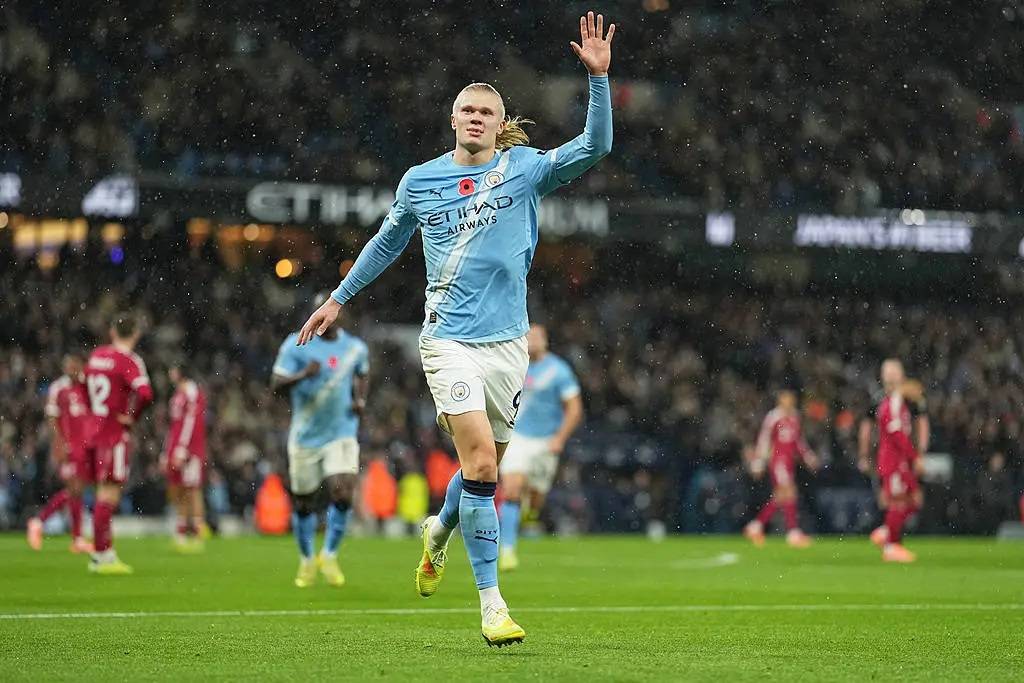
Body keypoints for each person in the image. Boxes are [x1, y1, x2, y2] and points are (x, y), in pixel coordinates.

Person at [295, 10, 615, 648]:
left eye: (486, 112)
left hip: (508, 346)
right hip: (447, 341)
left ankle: (439, 531)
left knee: (482, 472)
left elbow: (595, 146)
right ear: (452, 119)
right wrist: (338, 298)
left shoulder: (526, 170)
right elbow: (387, 243)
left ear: (500, 124)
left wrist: (599, 80)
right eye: (467, 110)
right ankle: (492, 605)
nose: (475, 118)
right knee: (481, 465)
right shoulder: (420, 181)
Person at [273, 293, 369, 588]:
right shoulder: (296, 343)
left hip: (341, 432)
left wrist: (360, 399)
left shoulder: (355, 348)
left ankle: (329, 555)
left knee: (343, 490)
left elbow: (363, 374)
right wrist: (303, 374)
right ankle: (306, 560)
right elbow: (276, 384)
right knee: (304, 503)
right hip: (306, 436)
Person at [497, 323, 582, 570]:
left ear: (545, 341)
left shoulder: (558, 370)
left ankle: (529, 512)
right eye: (528, 337)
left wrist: (560, 438)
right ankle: (507, 550)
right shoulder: (514, 365)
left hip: (546, 441)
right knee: (512, 488)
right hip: (517, 436)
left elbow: (574, 408)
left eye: (536, 337)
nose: (532, 341)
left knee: (536, 499)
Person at [84, 313, 153, 574]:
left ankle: (101, 552)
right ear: (136, 334)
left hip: (94, 431)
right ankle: (103, 555)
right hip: (114, 434)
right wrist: (131, 417)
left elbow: (86, 386)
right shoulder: (129, 360)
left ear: (113, 332)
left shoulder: (97, 355)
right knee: (109, 494)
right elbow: (145, 393)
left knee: (101, 492)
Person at [858, 361, 929, 563]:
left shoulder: (896, 402)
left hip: (898, 460)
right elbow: (896, 433)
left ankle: (887, 533)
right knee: (898, 502)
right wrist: (915, 457)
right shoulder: (893, 402)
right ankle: (891, 545)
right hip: (894, 461)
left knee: (912, 499)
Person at [27, 353, 93, 553]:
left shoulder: (87, 386)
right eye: (68, 366)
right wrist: (59, 444)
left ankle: (75, 537)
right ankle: (41, 522)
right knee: (74, 488)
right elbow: (52, 418)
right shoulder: (58, 388)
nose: (71, 369)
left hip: (86, 446)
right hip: (69, 446)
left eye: (74, 366)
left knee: (77, 490)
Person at [743, 390, 819, 548]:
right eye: (786, 400)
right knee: (789, 492)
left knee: (780, 497)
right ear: (780, 401)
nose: (789, 403)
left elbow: (799, 441)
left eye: (791, 400)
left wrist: (809, 457)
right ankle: (793, 532)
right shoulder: (773, 417)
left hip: (789, 462)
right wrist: (759, 462)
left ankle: (755, 526)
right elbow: (764, 439)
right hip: (778, 462)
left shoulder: (795, 417)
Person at [162, 363, 209, 552]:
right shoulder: (178, 394)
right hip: (176, 448)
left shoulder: (191, 392)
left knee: (192, 489)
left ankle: (198, 533)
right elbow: (174, 425)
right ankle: (181, 533)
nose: (170, 373)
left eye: (173, 369)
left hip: (190, 450)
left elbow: (191, 422)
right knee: (179, 489)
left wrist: (183, 448)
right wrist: (167, 451)